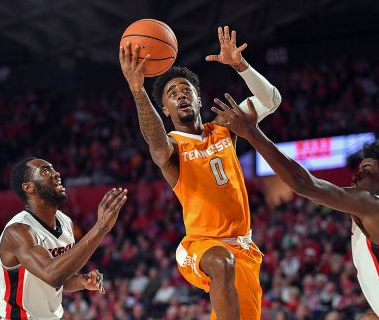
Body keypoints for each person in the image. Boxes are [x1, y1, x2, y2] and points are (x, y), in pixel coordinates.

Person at [210, 95, 379, 320]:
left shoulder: (372, 204)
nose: (356, 177)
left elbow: (304, 184)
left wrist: (251, 132)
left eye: (366, 171)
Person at [119, 26, 281, 319]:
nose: (180, 94)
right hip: (200, 246)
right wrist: (137, 89)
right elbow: (155, 142)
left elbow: (272, 100)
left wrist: (241, 67)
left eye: (186, 90)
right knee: (221, 261)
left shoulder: (224, 127)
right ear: (165, 110)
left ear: (199, 100)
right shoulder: (171, 146)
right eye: (172, 93)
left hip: (243, 248)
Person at [0, 157, 127, 319]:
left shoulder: (65, 222)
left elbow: (61, 278)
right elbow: (51, 274)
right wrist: (100, 229)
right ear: (29, 187)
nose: (56, 173)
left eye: (53, 168)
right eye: (45, 171)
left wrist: (82, 281)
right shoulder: (18, 231)